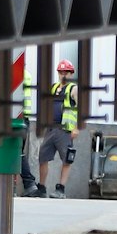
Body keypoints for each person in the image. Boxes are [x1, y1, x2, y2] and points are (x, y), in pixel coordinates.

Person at [37, 60, 79, 198]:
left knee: (66, 159)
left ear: (71, 74)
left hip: (64, 130)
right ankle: (41, 187)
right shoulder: (54, 88)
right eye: (61, 72)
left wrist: (76, 128)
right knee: (43, 156)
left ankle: (61, 189)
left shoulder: (73, 89)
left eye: (66, 72)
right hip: (51, 128)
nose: (63, 75)